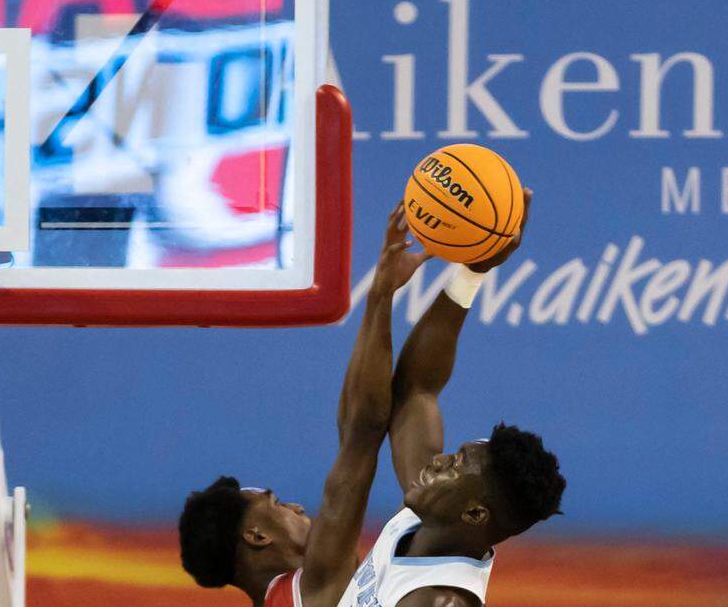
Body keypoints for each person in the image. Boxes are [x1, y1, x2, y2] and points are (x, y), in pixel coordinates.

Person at [179, 192, 565, 607]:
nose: (439, 460)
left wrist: (386, 292)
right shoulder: (422, 521)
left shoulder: (438, 596)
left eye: (453, 465)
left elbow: (365, 429)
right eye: (452, 457)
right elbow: (415, 392)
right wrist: (471, 271)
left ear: (474, 513)